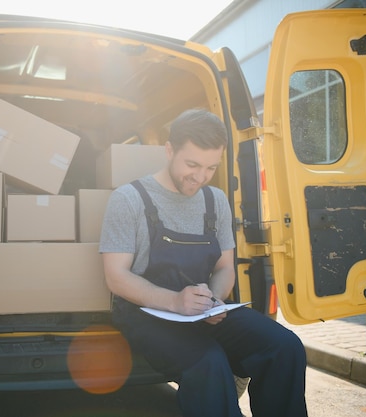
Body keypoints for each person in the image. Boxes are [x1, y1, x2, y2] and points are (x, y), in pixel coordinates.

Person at [99, 109, 308, 417]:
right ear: (170, 151)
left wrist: (213, 300)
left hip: (202, 309)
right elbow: (116, 276)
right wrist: (174, 301)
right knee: (208, 363)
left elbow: (225, 267)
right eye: (192, 164)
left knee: (285, 347)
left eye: (211, 167)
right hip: (146, 316)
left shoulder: (216, 200)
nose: (199, 177)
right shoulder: (128, 199)